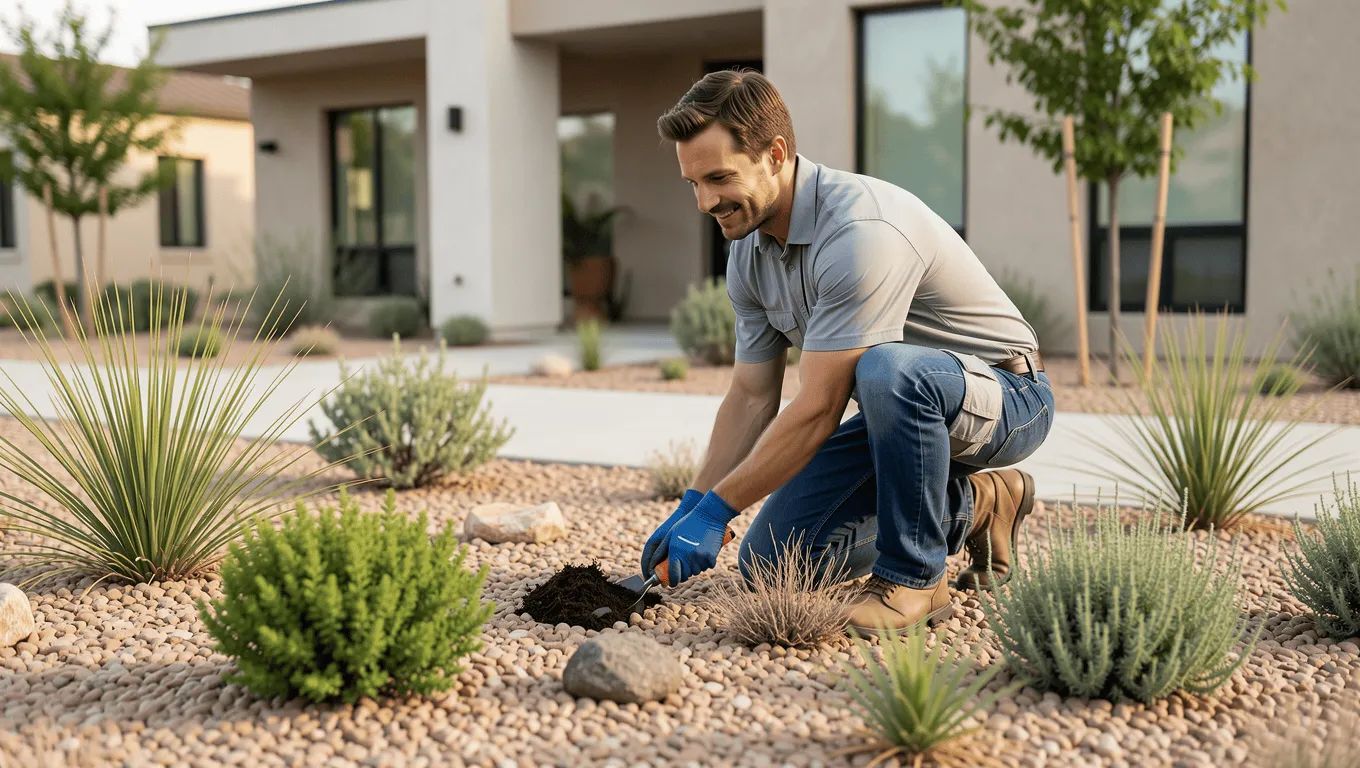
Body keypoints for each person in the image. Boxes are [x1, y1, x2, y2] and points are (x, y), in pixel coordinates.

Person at [640, 70, 1055, 634]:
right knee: (773, 565)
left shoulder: (860, 230)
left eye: (719, 178)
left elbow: (819, 407)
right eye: (692, 182)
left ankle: (914, 581)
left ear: (775, 155)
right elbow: (751, 397)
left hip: (1006, 397)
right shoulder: (748, 250)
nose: (705, 201)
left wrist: (720, 509)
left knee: (889, 368)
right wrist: (693, 504)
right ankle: (981, 502)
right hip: (900, 421)